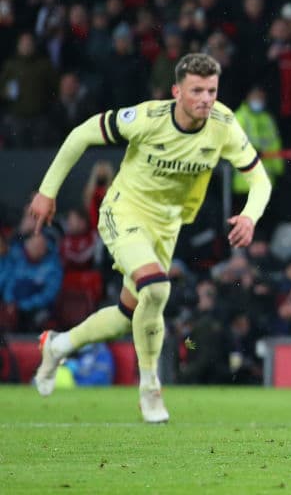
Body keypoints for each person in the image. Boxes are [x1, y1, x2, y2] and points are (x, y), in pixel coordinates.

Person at [29, 53, 272, 423]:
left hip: (167, 226)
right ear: (176, 91)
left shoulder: (223, 124)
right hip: (124, 211)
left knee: (129, 313)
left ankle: (58, 345)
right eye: (196, 91)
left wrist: (250, 217)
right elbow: (81, 134)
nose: (206, 99)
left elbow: (260, 180)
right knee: (157, 288)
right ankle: (150, 389)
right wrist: (47, 192)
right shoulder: (147, 118)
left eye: (211, 90)